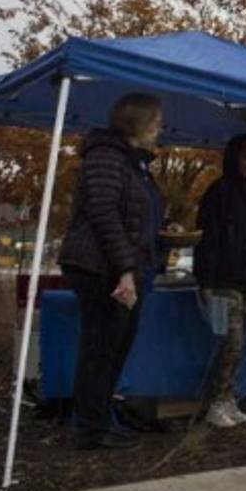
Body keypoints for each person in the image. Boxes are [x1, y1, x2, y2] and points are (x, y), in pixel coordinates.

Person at [58, 93, 165, 450]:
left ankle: (101, 420)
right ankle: (90, 428)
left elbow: (134, 219)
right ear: (138, 123)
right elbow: (105, 215)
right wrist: (125, 270)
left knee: (115, 349)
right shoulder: (106, 156)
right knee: (100, 350)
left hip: (123, 268)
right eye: (155, 123)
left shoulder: (134, 162)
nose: (159, 130)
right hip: (101, 269)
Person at [194, 134, 246, 428]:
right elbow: (206, 240)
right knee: (230, 341)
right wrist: (204, 280)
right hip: (223, 281)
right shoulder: (217, 193)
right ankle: (216, 403)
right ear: (233, 158)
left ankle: (228, 399)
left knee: (240, 345)